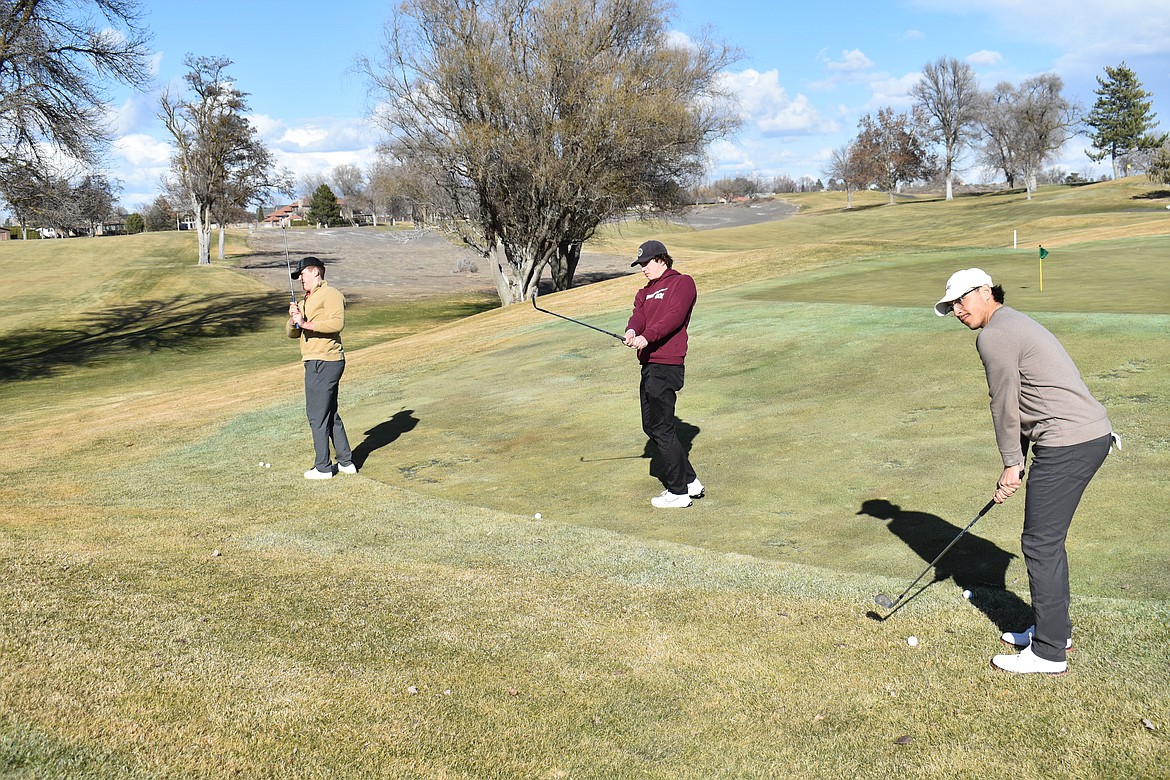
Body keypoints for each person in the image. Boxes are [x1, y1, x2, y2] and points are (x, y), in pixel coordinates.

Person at [935, 268, 1116, 675]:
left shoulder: (994, 334)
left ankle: (1050, 652)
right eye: (951, 306)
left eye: (963, 300)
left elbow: (1004, 404)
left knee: (1039, 542)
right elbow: (1021, 401)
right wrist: (1015, 463)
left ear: (986, 292)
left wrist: (1011, 465)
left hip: (1069, 442)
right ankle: (1054, 629)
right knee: (1046, 539)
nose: (958, 310)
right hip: (1085, 436)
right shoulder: (1013, 321)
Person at [624, 240, 704, 508]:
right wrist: (633, 331)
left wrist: (648, 337)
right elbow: (638, 316)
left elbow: (673, 317)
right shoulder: (644, 291)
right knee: (651, 425)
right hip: (648, 364)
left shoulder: (682, 283)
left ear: (662, 259)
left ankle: (678, 492)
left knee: (662, 427)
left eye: (646, 263)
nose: (643, 269)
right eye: (640, 265)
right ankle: (690, 481)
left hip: (666, 363)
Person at [286, 256, 356, 480]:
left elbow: (337, 323)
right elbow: (292, 333)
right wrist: (294, 319)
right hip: (315, 360)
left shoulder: (331, 294)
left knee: (316, 415)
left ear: (315, 272)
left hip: (325, 360)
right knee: (329, 412)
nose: (300, 280)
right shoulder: (306, 300)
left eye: (302, 275)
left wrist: (306, 324)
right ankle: (346, 462)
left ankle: (323, 467)